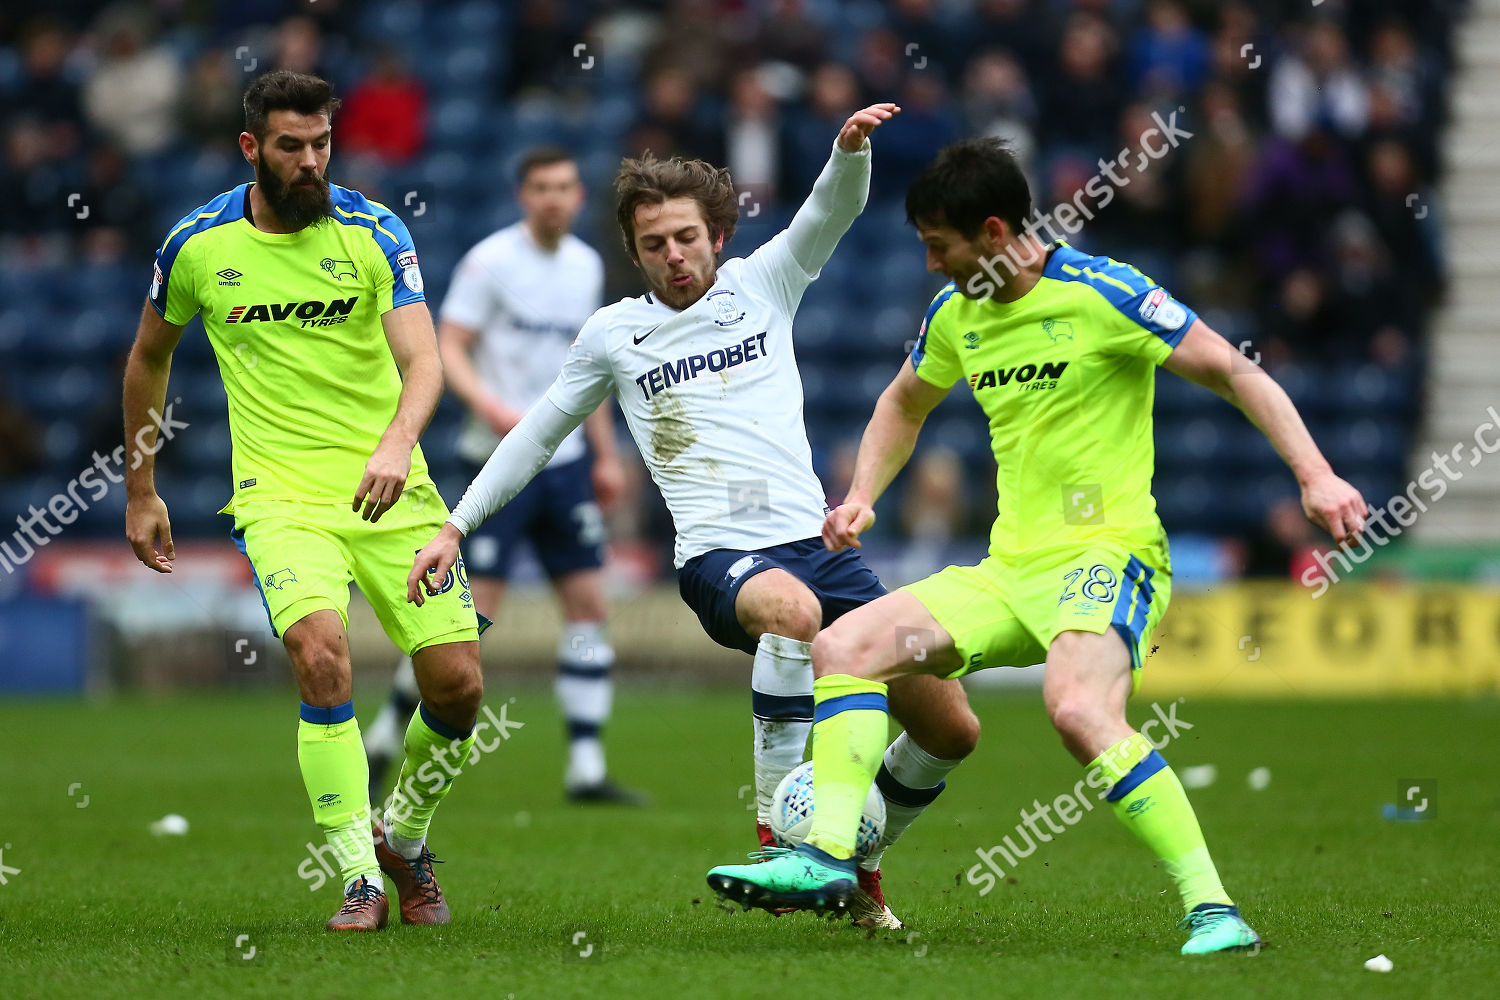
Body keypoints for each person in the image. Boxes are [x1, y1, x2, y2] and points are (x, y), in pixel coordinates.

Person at [707, 137, 1368, 954]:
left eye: (938, 246)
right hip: (1009, 570)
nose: (928, 264)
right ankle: (826, 857)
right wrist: (863, 497)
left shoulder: (1106, 293)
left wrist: (1317, 476)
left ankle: (1214, 909)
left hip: (1108, 555)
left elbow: (1236, 372)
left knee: (1078, 710)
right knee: (845, 643)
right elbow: (903, 402)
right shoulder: (957, 315)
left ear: (993, 232)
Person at [407, 103, 980, 929]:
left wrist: (846, 150)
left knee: (950, 727)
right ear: (633, 251)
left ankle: (857, 857)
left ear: (716, 232)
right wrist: (457, 524)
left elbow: (833, 209)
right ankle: (782, 844)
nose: (672, 257)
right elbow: (534, 435)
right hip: (721, 558)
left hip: (816, 545)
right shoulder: (614, 334)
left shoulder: (764, 282)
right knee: (792, 614)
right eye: (652, 244)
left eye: (685, 237)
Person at [123, 70, 485, 932]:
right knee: (323, 658)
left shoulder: (374, 230)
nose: (312, 160)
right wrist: (142, 488)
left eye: (323, 143)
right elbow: (148, 358)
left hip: (393, 491)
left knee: (461, 688)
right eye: (292, 146)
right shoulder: (196, 245)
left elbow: (425, 361)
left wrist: (398, 442)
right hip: (279, 496)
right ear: (252, 147)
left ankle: (406, 837)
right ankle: (358, 873)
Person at [364, 146, 644, 805]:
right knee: (470, 620)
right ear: (524, 195)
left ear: (579, 197)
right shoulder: (490, 262)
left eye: (566, 186)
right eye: (542, 186)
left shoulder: (584, 265)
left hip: (565, 462)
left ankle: (585, 768)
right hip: (492, 460)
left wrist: (604, 452)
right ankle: (385, 733)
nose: (554, 197)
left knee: (588, 605)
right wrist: (486, 404)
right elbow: (449, 345)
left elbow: (588, 370)